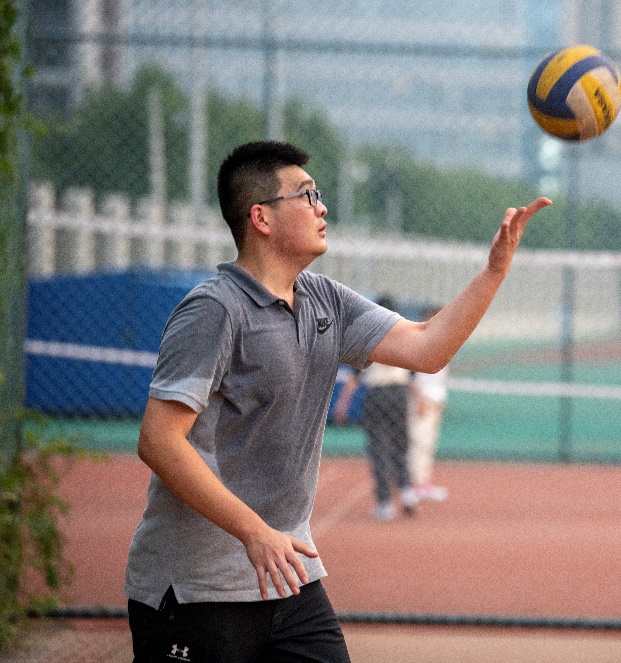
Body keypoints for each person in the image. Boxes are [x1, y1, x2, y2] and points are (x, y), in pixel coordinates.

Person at [124, 140, 550, 662]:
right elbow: (159, 442)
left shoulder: (324, 300)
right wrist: (254, 532)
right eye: (306, 196)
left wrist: (494, 273)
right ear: (261, 217)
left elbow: (427, 347)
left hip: (290, 576)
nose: (322, 207)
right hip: (197, 588)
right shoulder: (214, 310)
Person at [334, 297, 418, 521]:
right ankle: (407, 492)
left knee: (379, 448)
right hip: (398, 394)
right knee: (400, 443)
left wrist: (343, 403)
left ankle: (385, 503)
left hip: (377, 394)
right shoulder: (405, 336)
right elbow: (412, 374)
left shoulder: (369, 337)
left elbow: (354, 376)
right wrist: (418, 399)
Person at [407, 305, 450, 502]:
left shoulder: (443, 342)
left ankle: (423, 482)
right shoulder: (418, 343)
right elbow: (410, 375)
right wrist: (419, 400)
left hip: (436, 399)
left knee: (429, 444)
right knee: (419, 443)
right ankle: (415, 484)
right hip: (422, 401)